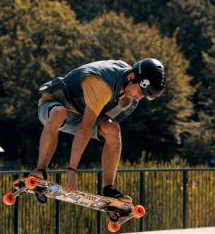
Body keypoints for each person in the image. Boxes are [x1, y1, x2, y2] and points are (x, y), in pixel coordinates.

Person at [30, 58, 165, 201]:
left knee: (113, 130)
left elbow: (102, 119)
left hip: (81, 114)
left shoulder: (129, 84)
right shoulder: (102, 84)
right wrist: (71, 170)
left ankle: (109, 190)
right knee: (59, 112)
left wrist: (125, 97)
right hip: (54, 104)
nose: (139, 97)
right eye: (140, 91)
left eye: (144, 95)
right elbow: (85, 127)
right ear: (131, 77)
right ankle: (40, 171)